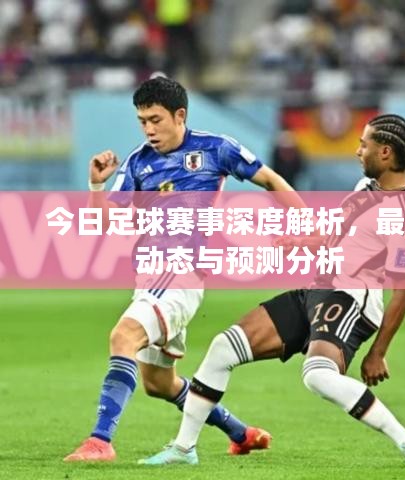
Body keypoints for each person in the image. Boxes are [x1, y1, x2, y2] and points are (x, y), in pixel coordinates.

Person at [141, 114, 405, 469]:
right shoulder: (366, 186)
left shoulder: (404, 216)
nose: (358, 151)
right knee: (223, 348)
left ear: (385, 152)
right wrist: (299, 242)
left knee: (318, 375)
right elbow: (337, 237)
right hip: (316, 291)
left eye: (364, 145)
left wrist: (378, 352)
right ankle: (183, 449)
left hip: (350, 300)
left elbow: (404, 292)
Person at [64, 76, 305, 462]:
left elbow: (270, 179)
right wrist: (95, 185)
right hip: (150, 278)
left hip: (178, 273)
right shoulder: (138, 162)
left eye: (155, 120)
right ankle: (240, 433)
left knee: (122, 337)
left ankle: (100, 442)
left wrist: (306, 224)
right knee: (159, 384)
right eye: (142, 121)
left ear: (179, 115)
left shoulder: (216, 148)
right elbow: (101, 223)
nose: (148, 129)